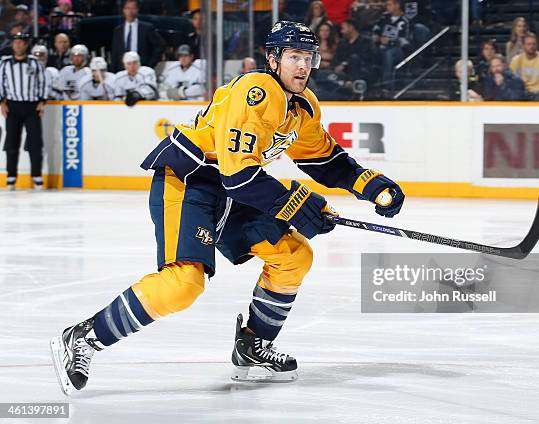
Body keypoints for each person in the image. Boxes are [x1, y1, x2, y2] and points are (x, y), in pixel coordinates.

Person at [50, 21, 405, 394]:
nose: (302, 66)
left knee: (293, 255)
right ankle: (84, 337)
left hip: (230, 189)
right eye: (294, 57)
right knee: (184, 283)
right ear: (273, 59)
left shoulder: (302, 106)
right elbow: (239, 175)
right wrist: (296, 205)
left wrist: (370, 184)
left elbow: (324, 159)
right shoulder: (256, 91)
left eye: (308, 57)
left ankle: (252, 347)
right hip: (191, 179)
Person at [0, 32, 47, 190]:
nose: (18, 45)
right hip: (12, 106)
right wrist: (1, 102)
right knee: (11, 143)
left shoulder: (34, 63)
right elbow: (0, 83)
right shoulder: (5, 63)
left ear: (26, 45)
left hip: (31, 106)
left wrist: (42, 101)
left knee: (35, 143)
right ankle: (11, 177)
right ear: (12, 45)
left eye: (21, 42)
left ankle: (37, 176)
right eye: (16, 42)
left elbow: (43, 82)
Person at [110, 0, 165, 72]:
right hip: (122, 71)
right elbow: (115, 54)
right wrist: (113, 73)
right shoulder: (118, 30)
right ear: (123, 10)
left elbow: (160, 46)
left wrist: (149, 65)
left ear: (137, 10)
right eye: (127, 8)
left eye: (133, 8)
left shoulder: (146, 28)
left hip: (141, 70)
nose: (130, 11)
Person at [373, 0, 410, 85]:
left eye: (389, 5)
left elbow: (405, 41)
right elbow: (376, 30)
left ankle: (386, 83)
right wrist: (377, 38)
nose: (387, 7)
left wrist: (389, 41)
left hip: (398, 50)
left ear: (397, 5)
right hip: (381, 47)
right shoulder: (383, 17)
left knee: (388, 53)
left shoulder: (404, 20)